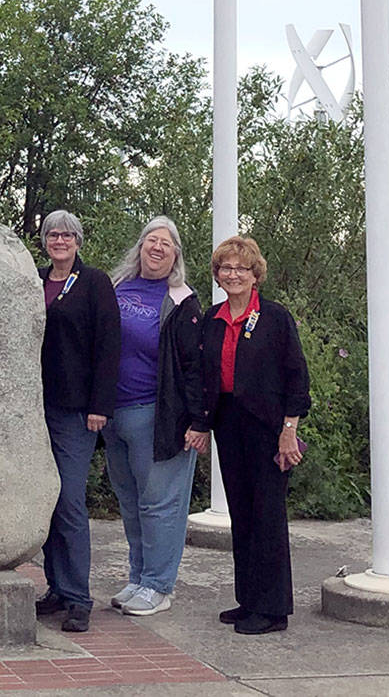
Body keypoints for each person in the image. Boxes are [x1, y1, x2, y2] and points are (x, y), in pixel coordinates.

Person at [195, 234, 310, 636]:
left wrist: (289, 430)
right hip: (229, 425)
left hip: (269, 428)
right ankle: (249, 601)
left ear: (255, 273)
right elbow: (205, 377)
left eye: (241, 268)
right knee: (242, 516)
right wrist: (202, 424)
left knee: (267, 518)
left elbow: (297, 376)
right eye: (226, 268)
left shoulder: (274, 318)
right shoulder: (213, 318)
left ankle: (274, 609)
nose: (233, 274)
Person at [104, 216, 208, 616]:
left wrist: (198, 422)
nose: (158, 247)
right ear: (140, 247)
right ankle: (138, 577)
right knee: (130, 502)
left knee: (160, 504)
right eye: (152, 239)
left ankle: (159, 586)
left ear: (176, 254)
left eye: (167, 243)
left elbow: (195, 367)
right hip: (114, 415)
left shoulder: (182, 301)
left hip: (158, 416)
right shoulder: (116, 288)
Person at [33, 210, 121, 634]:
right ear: (44, 240)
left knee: (68, 500)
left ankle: (79, 597)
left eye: (67, 234)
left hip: (75, 411)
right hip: (33, 410)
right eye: (53, 234)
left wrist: (99, 405)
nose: (60, 240)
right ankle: (56, 587)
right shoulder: (34, 279)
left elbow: (109, 346)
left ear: (79, 241)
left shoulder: (94, 283)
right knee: (45, 501)